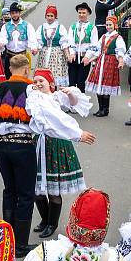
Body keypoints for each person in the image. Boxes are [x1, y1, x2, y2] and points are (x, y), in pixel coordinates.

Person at [0, 54, 96, 257]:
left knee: (10, 191)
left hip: (0, 147)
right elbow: (51, 117)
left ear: (9, 68)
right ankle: (20, 245)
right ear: (26, 70)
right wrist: (77, 134)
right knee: (25, 194)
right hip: (22, 146)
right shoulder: (31, 93)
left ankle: (8, 239)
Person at [29, 69, 90, 237]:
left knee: (53, 190)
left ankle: (52, 223)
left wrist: (70, 93)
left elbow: (75, 104)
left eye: (41, 80)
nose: (38, 83)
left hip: (57, 143)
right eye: (35, 81)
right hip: (39, 143)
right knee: (36, 190)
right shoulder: (33, 98)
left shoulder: (56, 97)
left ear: (51, 83)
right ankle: (45, 219)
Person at [84, 15, 126, 117]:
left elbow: (120, 51)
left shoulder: (118, 37)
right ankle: (101, 108)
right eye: (107, 25)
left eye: (110, 25)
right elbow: (98, 51)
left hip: (110, 62)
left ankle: (105, 109)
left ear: (115, 25)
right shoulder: (103, 37)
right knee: (99, 83)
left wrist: (120, 61)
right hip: (101, 62)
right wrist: (89, 59)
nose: (108, 27)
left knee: (106, 84)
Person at [0, 2, 38, 79]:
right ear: (10, 14)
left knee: (23, 78)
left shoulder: (27, 25)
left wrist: (33, 47)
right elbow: (3, 38)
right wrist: (0, 44)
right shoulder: (6, 26)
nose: (15, 15)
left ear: (20, 13)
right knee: (9, 77)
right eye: (12, 13)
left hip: (22, 55)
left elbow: (32, 38)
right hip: (9, 56)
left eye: (16, 12)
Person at [36, 5, 72, 88]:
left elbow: (64, 43)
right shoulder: (41, 27)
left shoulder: (60, 27)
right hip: (44, 55)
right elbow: (39, 42)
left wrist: (67, 55)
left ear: (55, 17)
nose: (49, 18)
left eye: (51, 16)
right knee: (44, 76)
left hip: (57, 54)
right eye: (48, 16)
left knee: (55, 76)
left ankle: (54, 94)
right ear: (45, 16)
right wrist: (36, 49)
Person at [67, 2, 98, 92]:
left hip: (84, 58)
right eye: (80, 13)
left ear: (88, 13)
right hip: (74, 57)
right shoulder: (73, 27)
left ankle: (80, 103)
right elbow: (70, 41)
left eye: (83, 13)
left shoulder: (92, 28)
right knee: (72, 82)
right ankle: (71, 103)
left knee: (81, 82)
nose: (81, 15)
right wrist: (72, 53)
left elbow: (93, 44)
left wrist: (87, 56)